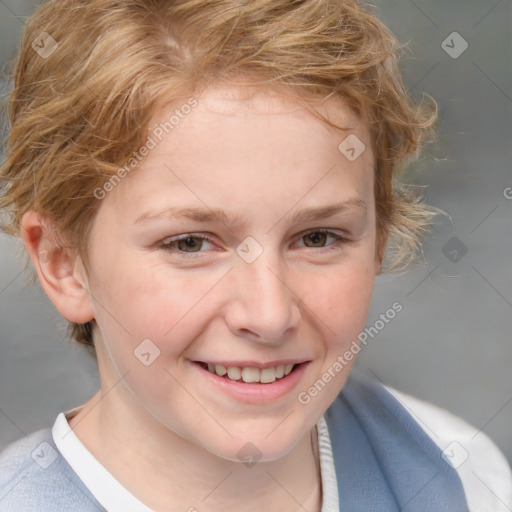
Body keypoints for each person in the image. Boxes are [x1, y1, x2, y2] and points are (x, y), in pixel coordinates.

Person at [0, 0, 510, 510]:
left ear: (378, 241)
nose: (269, 315)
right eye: (190, 244)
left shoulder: (459, 475)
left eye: (317, 238)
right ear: (64, 264)